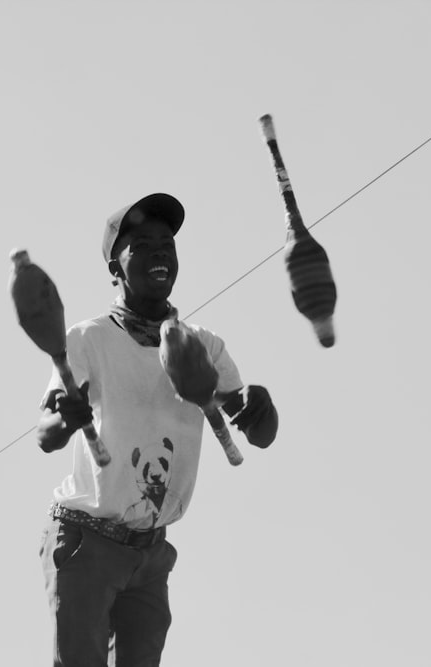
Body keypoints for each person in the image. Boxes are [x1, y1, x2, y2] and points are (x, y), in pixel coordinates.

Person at [34, 192, 279, 666]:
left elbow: (260, 432)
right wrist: (68, 416)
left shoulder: (203, 345)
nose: (160, 252)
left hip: (151, 552)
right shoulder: (89, 339)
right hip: (87, 540)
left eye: (167, 243)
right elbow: (46, 434)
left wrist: (260, 406)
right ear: (115, 268)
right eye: (141, 245)